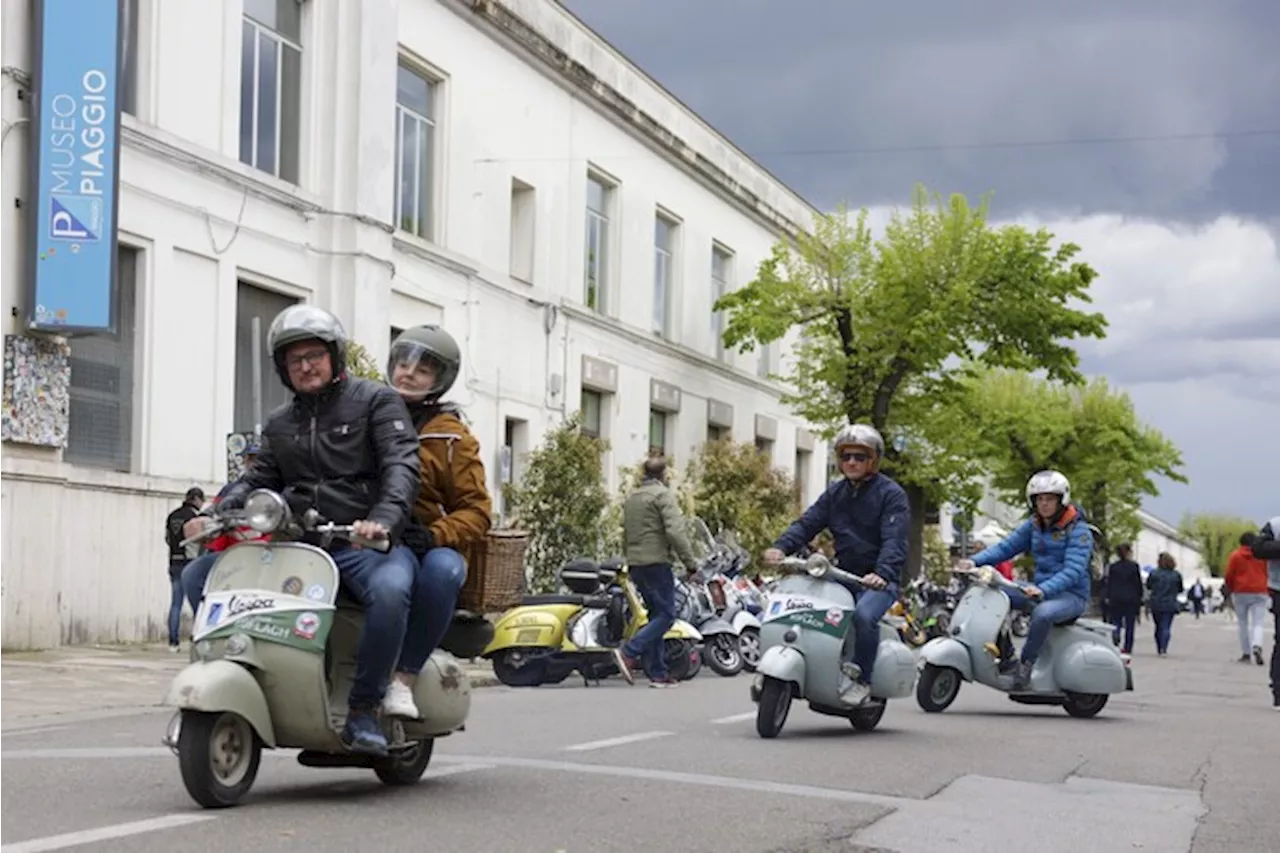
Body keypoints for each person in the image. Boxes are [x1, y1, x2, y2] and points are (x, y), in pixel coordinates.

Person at [183, 304, 421, 756]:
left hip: (360, 540)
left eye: (314, 355)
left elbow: (401, 466)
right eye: (295, 360)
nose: (306, 366)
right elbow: (256, 480)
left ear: (334, 357)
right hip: (299, 543)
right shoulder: (280, 423)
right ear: (283, 368)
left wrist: (384, 520)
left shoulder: (375, 401)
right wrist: (216, 511)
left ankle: (364, 707)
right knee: (202, 577)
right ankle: (254, 677)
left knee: (392, 590)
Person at [380, 325, 493, 720]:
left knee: (442, 572)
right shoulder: (369, 415)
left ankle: (403, 679)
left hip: (425, 543)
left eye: (423, 370)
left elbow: (478, 509)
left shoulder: (452, 437)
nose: (408, 373)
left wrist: (434, 535)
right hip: (375, 533)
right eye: (404, 363)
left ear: (440, 380)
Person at [763, 423, 909, 706]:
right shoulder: (836, 493)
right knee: (803, 602)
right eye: (846, 457)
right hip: (842, 573)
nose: (851, 462)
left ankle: (862, 678)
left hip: (878, 579)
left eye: (859, 457)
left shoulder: (892, 495)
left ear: (873, 461)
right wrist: (780, 547)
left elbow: (895, 540)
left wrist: (882, 573)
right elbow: (808, 523)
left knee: (864, 617)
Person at [960, 470, 1092, 690]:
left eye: (1050, 499)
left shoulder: (1079, 530)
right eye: (1039, 499)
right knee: (994, 594)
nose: (1044, 504)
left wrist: (1043, 590)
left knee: (1043, 613)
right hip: (1039, 590)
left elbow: (1074, 570)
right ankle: (1006, 656)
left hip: (1070, 596)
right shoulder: (1034, 525)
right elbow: (1006, 547)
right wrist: (973, 562)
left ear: (1062, 499)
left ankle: (1025, 666)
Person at [613, 456, 700, 688]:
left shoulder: (633, 498)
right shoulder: (662, 496)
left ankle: (658, 673)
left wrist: (629, 559)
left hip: (636, 563)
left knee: (654, 615)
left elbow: (626, 534)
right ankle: (629, 652)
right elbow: (675, 532)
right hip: (657, 562)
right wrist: (690, 563)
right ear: (664, 475)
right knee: (667, 616)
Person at [164, 487, 205, 652]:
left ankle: (173, 643)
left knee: (176, 603)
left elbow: (167, 539)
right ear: (196, 500)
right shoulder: (195, 518)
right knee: (198, 603)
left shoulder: (172, 515)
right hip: (191, 562)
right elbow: (201, 540)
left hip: (174, 561)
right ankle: (197, 637)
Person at [1225, 532, 1268, 666]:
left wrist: (1230, 589)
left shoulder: (1235, 555)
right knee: (1258, 622)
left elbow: (1229, 575)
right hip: (1260, 590)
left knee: (1242, 623)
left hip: (1241, 591)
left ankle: (1246, 653)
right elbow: (1269, 571)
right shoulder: (1263, 556)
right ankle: (1257, 645)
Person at [1103, 542, 1144, 654]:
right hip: (1131, 598)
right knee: (1130, 624)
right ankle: (1127, 647)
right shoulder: (1134, 566)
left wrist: (1108, 596)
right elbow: (1137, 583)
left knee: (1116, 620)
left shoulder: (1113, 567)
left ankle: (1116, 635)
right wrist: (1140, 596)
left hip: (1116, 597)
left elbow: (1109, 583)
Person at [1145, 552, 1184, 656]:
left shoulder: (1154, 573)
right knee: (1166, 626)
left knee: (1158, 626)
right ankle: (1164, 648)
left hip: (1156, 602)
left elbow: (1149, 586)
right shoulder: (1176, 575)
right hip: (1170, 603)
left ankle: (1159, 646)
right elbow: (1180, 589)